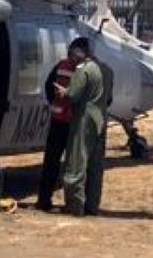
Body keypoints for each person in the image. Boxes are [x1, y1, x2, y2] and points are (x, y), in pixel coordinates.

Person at [61, 37, 109, 216]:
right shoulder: (102, 69)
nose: (71, 58)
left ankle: (75, 205)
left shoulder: (83, 70)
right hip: (99, 119)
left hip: (83, 119)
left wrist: (64, 91)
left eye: (72, 54)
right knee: (95, 165)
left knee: (75, 162)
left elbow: (73, 95)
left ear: (80, 52)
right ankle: (92, 205)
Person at [37, 48, 77, 212]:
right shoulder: (83, 70)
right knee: (73, 164)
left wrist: (52, 104)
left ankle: (44, 200)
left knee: (51, 161)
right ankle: (72, 203)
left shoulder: (61, 65)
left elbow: (48, 85)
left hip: (58, 119)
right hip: (73, 122)